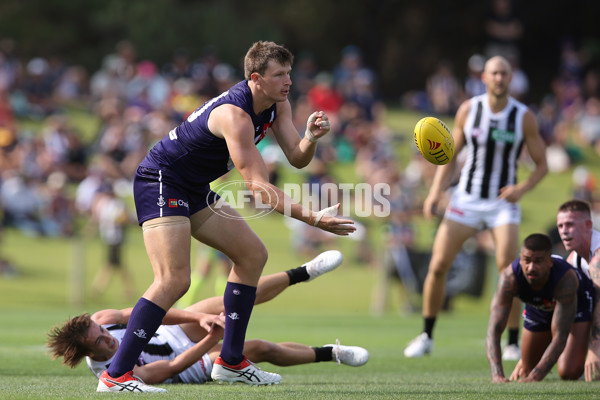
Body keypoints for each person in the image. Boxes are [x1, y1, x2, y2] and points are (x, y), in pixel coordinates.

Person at [96, 41, 356, 392]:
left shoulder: (278, 104)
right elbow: (260, 188)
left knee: (252, 255)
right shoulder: (235, 115)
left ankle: (231, 361)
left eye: (289, 73)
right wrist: (314, 219)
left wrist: (310, 137)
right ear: (256, 78)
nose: (288, 81)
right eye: (279, 75)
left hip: (193, 185)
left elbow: (296, 157)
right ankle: (116, 375)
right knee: (174, 279)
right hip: (161, 178)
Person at [47, 251, 369, 388]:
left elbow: (150, 310)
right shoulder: (109, 373)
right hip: (189, 364)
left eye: (102, 330)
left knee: (236, 298)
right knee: (257, 348)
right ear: (90, 353)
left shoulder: (103, 318)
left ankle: (302, 272)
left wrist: (198, 316)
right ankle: (331, 353)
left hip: (176, 333)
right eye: (101, 341)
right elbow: (172, 368)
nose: (108, 336)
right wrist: (210, 339)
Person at [403, 55, 548, 359]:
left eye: (504, 73)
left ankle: (510, 342)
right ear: (484, 77)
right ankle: (426, 336)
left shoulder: (523, 117)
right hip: (466, 199)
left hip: (501, 205)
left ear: (511, 78)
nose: (499, 78)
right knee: (438, 265)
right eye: (494, 73)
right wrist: (434, 193)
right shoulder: (469, 110)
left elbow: (542, 165)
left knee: (510, 273)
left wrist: (522, 188)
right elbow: (448, 156)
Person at [486, 233, 593, 382]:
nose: (531, 268)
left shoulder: (566, 280)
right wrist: (497, 375)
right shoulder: (509, 279)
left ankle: (583, 355)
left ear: (550, 262)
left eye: (538, 261)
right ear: (521, 259)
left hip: (576, 304)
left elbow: (561, 335)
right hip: (540, 307)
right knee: (527, 370)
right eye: (527, 261)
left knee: (568, 372)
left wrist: (535, 377)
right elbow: (494, 329)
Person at [555, 199, 600, 381]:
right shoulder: (574, 258)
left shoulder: (597, 258)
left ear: (588, 225)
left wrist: (596, 347)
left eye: (570, 224)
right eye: (560, 225)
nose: (564, 231)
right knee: (567, 371)